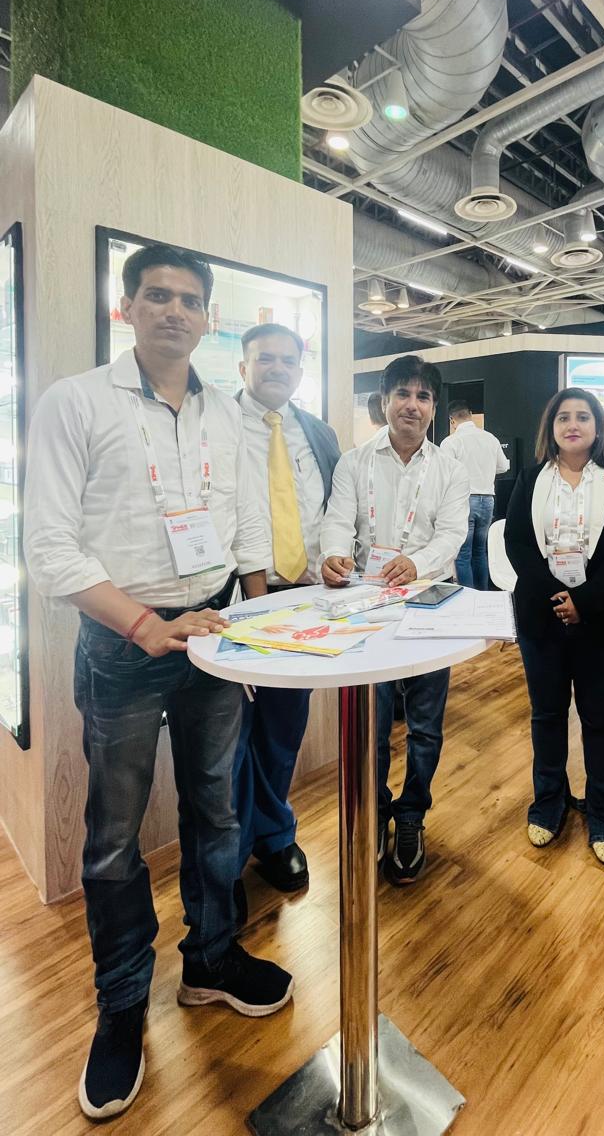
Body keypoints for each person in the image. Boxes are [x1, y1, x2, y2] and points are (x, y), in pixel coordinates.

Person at [23, 244, 293, 1121]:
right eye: (157, 296)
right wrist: (142, 625)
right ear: (126, 308)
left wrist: (255, 629)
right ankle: (122, 1006)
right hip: (123, 644)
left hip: (212, 635)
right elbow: (48, 548)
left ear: (208, 318)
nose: (174, 310)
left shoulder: (227, 414)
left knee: (217, 811)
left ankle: (210, 960)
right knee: (113, 836)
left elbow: (245, 524)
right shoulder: (75, 402)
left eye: (188, 299)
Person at [320, 355, 469, 885]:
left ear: (433, 407)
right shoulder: (354, 462)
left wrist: (418, 563)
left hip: (429, 601)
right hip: (367, 605)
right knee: (374, 724)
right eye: (402, 393)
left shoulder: (450, 468)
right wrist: (333, 553)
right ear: (383, 402)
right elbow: (338, 521)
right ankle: (376, 809)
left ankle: (411, 814)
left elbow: (452, 535)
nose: (412, 404)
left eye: (423, 396)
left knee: (425, 725)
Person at [505, 388, 604, 866]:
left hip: (602, 619)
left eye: (583, 416)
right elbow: (517, 543)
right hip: (541, 616)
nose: (573, 424)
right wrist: (556, 597)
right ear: (552, 427)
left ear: (598, 427)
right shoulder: (529, 478)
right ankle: (549, 803)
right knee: (546, 716)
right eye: (563, 417)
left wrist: (582, 601)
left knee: (600, 721)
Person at [232, 323, 340, 907]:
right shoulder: (217, 425)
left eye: (287, 361)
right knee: (227, 739)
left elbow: (332, 513)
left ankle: (272, 837)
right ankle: (228, 855)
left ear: (300, 370)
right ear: (242, 367)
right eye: (264, 359)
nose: (277, 369)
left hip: (302, 598)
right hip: (231, 599)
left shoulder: (317, 432)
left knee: (282, 729)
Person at [440, 399, 509, 589]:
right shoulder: (490, 438)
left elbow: (444, 474)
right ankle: (483, 594)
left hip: (464, 501)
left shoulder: (451, 442)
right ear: (470, 414)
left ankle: (468, 597)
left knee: (463, 554)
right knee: (480, 551)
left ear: (452, 420)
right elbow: (503, 466)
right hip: (488, 500)